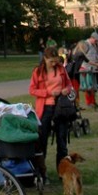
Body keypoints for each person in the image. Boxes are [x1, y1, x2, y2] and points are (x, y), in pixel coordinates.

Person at [29, 45, 75, 182]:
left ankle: (62, 171)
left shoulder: (61, 69)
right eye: (51, 61)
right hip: (46, 107)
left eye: (56, 61)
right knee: (42, 141)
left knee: (62, 141)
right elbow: (32, 90)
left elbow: (69, 84)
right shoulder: (38, 71)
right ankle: (41, 172)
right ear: (45, 59)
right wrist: (48, 92)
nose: (54, 64)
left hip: (61, 107)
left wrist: (66, 89)